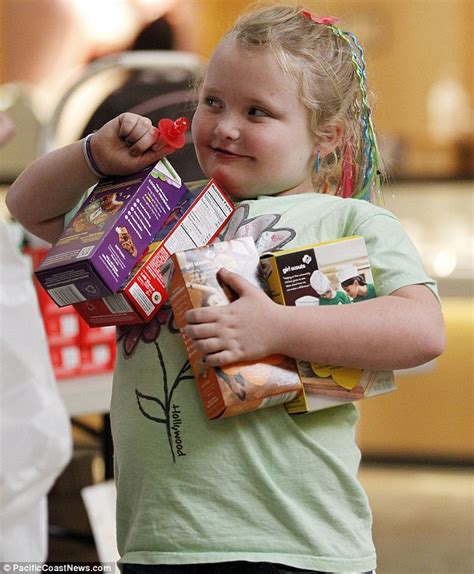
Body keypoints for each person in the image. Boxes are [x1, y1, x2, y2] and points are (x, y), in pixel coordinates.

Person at [6, 4, 445, 573]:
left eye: (257, 111)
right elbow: (29, 210)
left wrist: (276, 327)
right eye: (213, 101)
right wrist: (93, 155)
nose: (225, 125)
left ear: (327, 137)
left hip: (301, 545)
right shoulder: (163, 211)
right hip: (160, 540)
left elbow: (422, 329)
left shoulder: (349, 221)